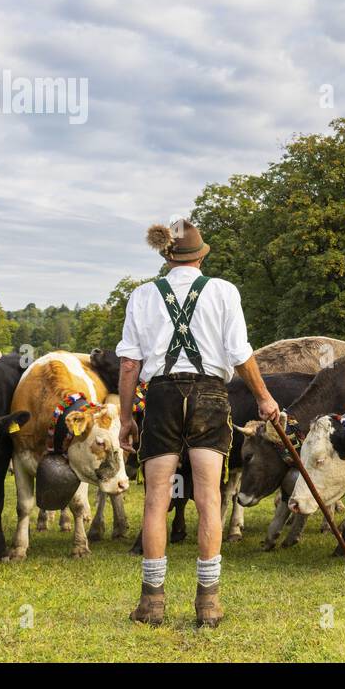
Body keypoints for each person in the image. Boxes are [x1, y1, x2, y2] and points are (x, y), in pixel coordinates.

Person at [117, 220, 280, 627]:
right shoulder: (224, 291)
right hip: (209, 394)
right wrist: (263, 397)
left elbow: (129, 364)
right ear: (202, 255)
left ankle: (152, 603)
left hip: (161, 396)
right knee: (209, 498)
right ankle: (208, 603)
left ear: (166, 257)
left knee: (156, 498)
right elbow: (240, 353)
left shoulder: (141, 295)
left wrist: (124, 417)